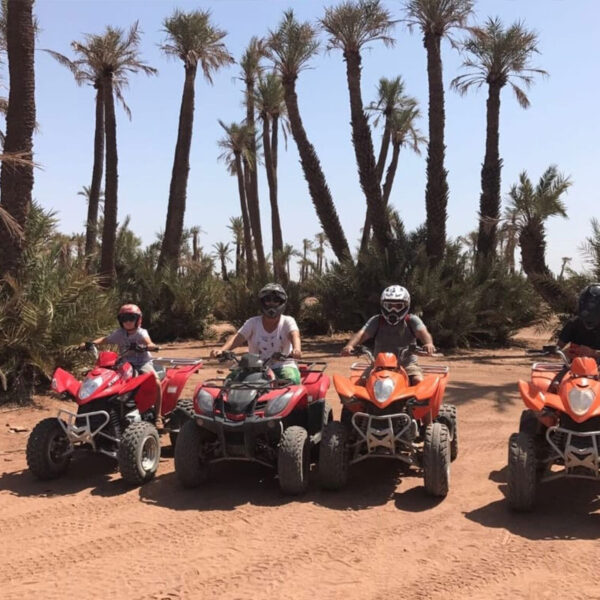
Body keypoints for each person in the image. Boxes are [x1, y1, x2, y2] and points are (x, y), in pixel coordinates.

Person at [82, 304, 164, 428]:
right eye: (124, 318)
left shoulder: (141, 333)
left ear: (138, 320)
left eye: (131, 318)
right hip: (125, 363)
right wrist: (91, 343)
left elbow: (149, 342)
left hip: (142, 363)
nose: (127, 322)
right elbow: (105, 339)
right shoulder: (119, 333)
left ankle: (158, 417)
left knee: (156, 382)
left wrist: (149, 346)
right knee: (110, 382)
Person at [341, 285, 435, 384]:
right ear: (383, 305)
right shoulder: (377, 320)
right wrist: (350, 346)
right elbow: (362, 334)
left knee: (418, 381)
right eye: (389, 306)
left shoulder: (411, 320)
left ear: (406, 306)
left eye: (398, 306)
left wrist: (428, 344)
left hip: (406, 365)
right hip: (379, 365)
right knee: (360, 384)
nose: (393, 310)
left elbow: (423, 332)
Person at [210, 284, 302, 384]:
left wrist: (296, 349)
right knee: (230, 381)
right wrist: (222, 350)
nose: (271, 303)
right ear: (262, 302)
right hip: (254, 368)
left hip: (282, 366)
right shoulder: (252, 323)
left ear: (281, 303)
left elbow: (294, 335)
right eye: (267, 300)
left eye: (276, 300)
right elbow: (238, 337)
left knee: (291, 381)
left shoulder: (287, 321)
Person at [557, 283, 600, 360]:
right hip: (575, 368)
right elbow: (558, 348)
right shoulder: (574, 323)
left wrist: (594, 353)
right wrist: (565, 353)